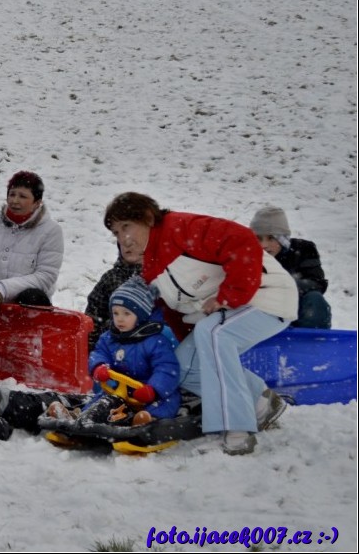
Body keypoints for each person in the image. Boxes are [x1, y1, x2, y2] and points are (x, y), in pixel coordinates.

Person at [103, 192, 297, 455]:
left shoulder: (180, 228)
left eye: (126, 226)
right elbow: (176, 313)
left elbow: (241, 241)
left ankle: (238, 429)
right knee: (181, 369)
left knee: (215, 333)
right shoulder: (152, 267)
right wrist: (191, 344)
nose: (122, 238)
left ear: (148, 218)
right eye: (115, 232)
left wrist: (229, 295)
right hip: (228, 311)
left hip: (266, 295)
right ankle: (261, 400)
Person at [46, 277, 181, 427]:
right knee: (101, 400)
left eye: (126, 314)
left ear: (141, 316)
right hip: (120, 390)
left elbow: (167, 368)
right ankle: (78, 418)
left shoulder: (155, 342)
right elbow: (99, 353)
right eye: (116, 313)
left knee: (165, 403)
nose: (120, 319)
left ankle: (148, 420)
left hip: (147, 392)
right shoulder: (110, 338)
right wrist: (99, 366)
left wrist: (154, 389)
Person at [0, 170, 64, 306]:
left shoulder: (51, 231)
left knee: (32, 296)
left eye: (22, 196)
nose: (15, 201)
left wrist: (3, 289)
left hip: (29, 304)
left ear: (37, 203)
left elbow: (45, 276)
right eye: (12, 194)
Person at [250, 206, 332, 329]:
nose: (264, 245)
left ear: (282, 238)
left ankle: (313, 342)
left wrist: (284, 288)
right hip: (260, 311)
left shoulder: (303, 249)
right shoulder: (248, 254)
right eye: (259, 239)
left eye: (271, 238)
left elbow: (316, 282)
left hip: (297, 308)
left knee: (315, 299)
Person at [84, 255, 142, 350]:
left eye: (127, 313)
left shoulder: (161, 278)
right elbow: (93, 316)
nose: (128, 243)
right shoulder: (111, 278)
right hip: (112, 345)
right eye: (115, 313)